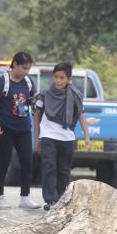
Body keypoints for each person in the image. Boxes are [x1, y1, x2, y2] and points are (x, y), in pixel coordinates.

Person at [0, 51, 41, 209]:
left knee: (27, 162)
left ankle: (25, 197)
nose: (26, 72)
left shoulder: (28, 82)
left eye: (28, 69)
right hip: (5, 129)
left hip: (24, 129)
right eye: (24, 68)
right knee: (3, 163)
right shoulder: (1, 82)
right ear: (15, 65)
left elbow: (32, 100)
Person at [34, 62, 91, 211]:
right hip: (48, 136)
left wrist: (87, 135)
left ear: (69, 79)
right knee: (49, 168)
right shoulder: (44, 94)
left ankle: (61, 200)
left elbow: (81, 116)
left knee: (64, 171)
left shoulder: (75, 95)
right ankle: (50, 200)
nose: (58, 81)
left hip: (67, 138)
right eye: (56, 77)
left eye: (62, 77)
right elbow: (37, 115)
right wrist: (37, 138)